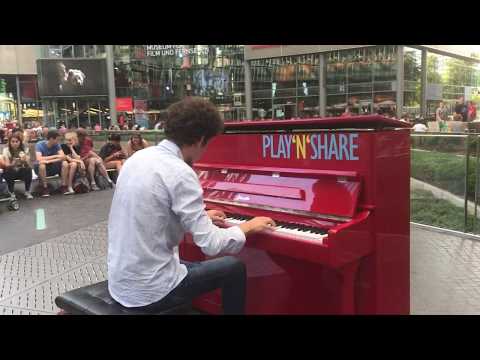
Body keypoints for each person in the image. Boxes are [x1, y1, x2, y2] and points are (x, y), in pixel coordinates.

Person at [108, 98, 276, 314]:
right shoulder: (180, 172)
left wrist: (202, 218)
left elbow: (153, 213)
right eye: (209, 143)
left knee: (187, 263)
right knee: (233, 268)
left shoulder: (138, 158)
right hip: (151, 291)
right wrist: (249, 226)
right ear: (200, 139)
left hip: (122, 283)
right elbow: (211, 244)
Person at [34, 129, 69, 197]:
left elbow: (63, 157)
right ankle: (45, 188)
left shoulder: (57, 145)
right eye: (57, 139)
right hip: (40, 168)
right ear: (51, 139)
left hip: (52, 166)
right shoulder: (39, 145)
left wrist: (49, 161)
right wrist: (56, 156)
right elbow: (39, 158)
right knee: (42, 165)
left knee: (65, 163)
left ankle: (63, 186)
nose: (58, 142)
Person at [2, 133, 33, 199]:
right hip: (11, 171)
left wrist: (24, 160)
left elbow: (28, 164)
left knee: (28, 169)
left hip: (21, 171)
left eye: (17, 141)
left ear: (20, 142)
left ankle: (27, 191)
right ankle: (11, 192)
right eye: (13, 141)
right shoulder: (6, 150)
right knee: (9, 170)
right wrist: (13, 164)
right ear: (10, 142)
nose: (15, 143)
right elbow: (7, 165)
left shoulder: (25, 149)